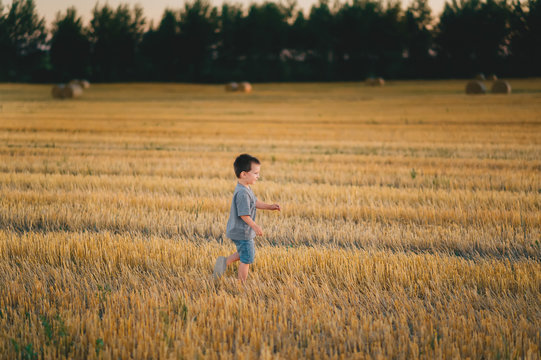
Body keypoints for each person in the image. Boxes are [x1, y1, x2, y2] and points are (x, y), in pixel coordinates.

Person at [213, 154, 280, 281]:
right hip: (242, 231)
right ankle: (241, 284)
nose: (258, 176)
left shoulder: (245, 188)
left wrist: (270, 206)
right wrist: (255, 226)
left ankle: (224, 262)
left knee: (245, 252)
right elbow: (243, 214)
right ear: (244, 174)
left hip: (240, 230)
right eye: (255, 173)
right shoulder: (243, 193)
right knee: (247, 258)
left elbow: (254, 202)